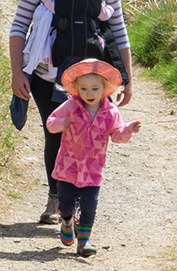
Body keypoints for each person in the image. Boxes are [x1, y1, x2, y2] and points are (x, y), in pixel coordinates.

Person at [7, 0, 134, 225]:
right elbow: (19, 25)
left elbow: (119, 29)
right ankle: (58, 199)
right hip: (46, 74)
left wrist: (127, 79)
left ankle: (75, 205)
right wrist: (16, 72)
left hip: (91, 79)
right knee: (58, 135)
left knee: (89, 137)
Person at [46, 59, 140, 257]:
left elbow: (117, 136)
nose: (90, 93)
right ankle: (66, 221)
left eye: (95, 88)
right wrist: (61, 124)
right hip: (67, 168)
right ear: (76, 89)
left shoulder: (110, 112)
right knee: (65, 205)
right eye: (84, 88)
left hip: (92, 170)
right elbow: (51, 122)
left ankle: (84, 241)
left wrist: (128, 130)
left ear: (105, 89)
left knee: (90, 206)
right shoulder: (70, 106)